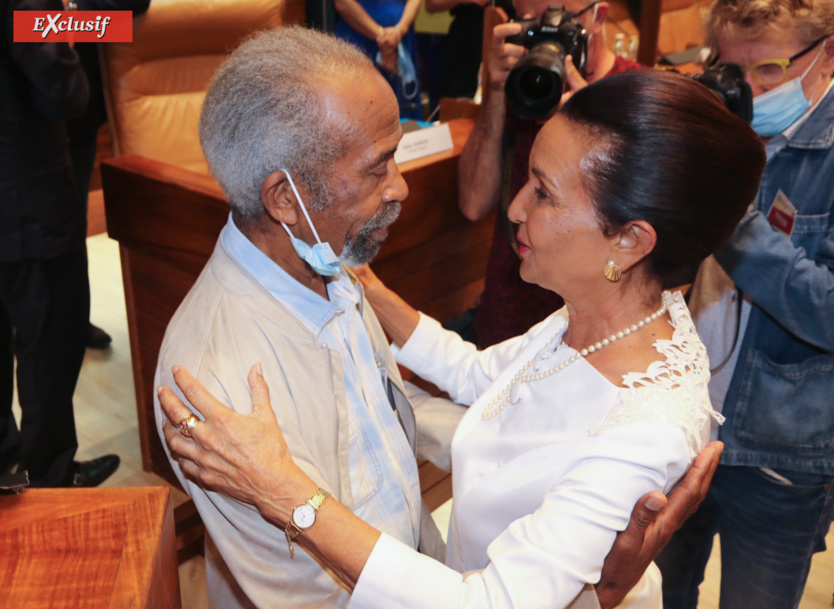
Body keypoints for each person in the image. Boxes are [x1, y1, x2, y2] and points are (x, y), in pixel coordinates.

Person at [158, 69, 766, 609]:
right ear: (286, 199)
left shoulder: (645, 423)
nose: (516, 208)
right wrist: (375, 294)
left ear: (630, 242)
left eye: (545, 193)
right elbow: (489, 383)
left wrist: (288, 492)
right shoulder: (606, 312)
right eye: (527, 180)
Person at [654, 1, 834, 608]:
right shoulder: (716, 128)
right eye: (730, 71)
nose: (748, 91)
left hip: (779, 451)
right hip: (679, 418)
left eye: (770, 70)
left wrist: (732, 215)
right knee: (663, 588)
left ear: (827, 54)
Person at [456, 0, 643, 348]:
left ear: (598, 16)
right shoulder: (521, 87)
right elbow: (472, 202)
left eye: (556, 24)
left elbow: (644, 234)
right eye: (531, 26)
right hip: (504, 326)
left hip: (592, 341)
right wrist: (496, 91)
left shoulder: (635, 92)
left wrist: (592, 125)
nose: (546, 42)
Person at [0, 0, 120, 486]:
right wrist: (69, 27)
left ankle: (8, 465)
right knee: (50, 347)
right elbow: (64, 93)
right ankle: (49, 481)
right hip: (25, 199)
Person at [65, 0, 150, 350]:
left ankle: (72, 321)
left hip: (72, 111)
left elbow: (131, 9)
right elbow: (20, 25)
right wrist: (51, 21)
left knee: (69, 227)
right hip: (16, 114)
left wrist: (72, 10)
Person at [334, 0, 424, 119]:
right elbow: (342, 3)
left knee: (404, 111)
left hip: (401, 39)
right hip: (358, 39)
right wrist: (385, 38)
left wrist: (399, 30)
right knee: (359, 110)